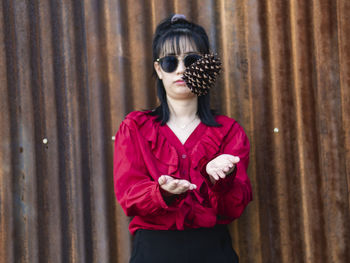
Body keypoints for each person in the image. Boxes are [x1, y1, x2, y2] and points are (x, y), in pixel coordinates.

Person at [114, 14, 252, 263]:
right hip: (154, 252)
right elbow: (128, 194)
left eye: (191, 60)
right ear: (159, 69)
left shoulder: (229, 132)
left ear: (205, 66)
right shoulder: (135, 127)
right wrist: (161, 192)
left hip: (213, 250)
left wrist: (219, 178)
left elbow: (235, 205)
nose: (180, 69)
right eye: (169, 62)